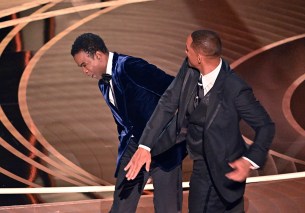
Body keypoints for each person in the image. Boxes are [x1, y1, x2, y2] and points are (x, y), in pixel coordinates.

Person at [125, 29, 275, 212]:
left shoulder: (235, 89)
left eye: (187, 49)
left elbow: (266, 126)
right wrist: (145, 146)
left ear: (199, 57)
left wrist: (249, 160)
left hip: (226, 167)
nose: (185, 52)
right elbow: (168, 103)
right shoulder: (189, 68)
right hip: (201, 163)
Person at [70, 33, 186, 213]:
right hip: (133, 148)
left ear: (98, 55)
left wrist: (177, 131)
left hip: (164, 146)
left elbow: (174, 89)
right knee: (121, 207)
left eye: (84, 64)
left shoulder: (131, 67)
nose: (84, 70)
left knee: (168, 208)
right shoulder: (103, 84)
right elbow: (123, 122)